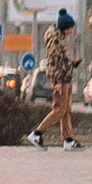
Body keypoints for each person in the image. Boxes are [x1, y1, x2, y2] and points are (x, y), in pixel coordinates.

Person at [27, 9, 82, 150]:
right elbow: (52, 62)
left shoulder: (60, 38)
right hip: (61, 80)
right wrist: (56, 81)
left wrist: (72, 64)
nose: (72, 30)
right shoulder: (55, 40)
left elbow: (61, 60)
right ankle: (36, 134)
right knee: (59, 110)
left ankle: (68, 140)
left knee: (66, 110)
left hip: (66, 78)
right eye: (71, 28)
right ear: (65, 27)